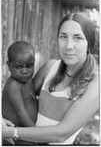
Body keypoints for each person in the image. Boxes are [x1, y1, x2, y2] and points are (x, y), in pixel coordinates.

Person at [2, 12, 99, 145]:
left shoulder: (95, 84)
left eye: (78, 38)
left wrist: (8, 132)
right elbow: (20, 98)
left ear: (90, 43)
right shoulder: (50, 67)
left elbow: (61, 134)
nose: (69, 46)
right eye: (63, 36)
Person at [2, 41, 38, 145]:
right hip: (15, 135)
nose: (25, 71)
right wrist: (37, 134)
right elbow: (21, 112)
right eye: (19, 67)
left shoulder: (29, 80)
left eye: (29, 66)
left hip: (25, 132)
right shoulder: (13, 85)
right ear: (9, 65)